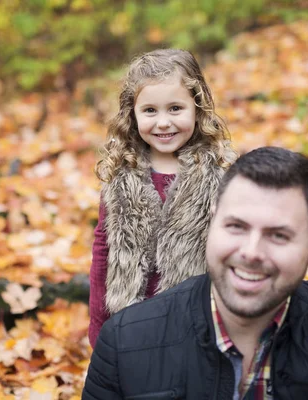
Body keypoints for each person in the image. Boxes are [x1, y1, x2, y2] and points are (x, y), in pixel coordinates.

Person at [83, 146, 308, 400]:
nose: (251, 252)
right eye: (236, 226)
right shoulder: (124, 342)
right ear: (212, 223)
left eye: (278, 235)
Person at [89, 48, 237, 347]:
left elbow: (231, 253)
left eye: (175, 109)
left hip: (195, 326)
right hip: (132, 324)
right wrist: (98, 326)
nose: (163, 123)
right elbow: (103, 249)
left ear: (197, 108)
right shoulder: (123, 175)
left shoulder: (217, 175)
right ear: (132, 113)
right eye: (150, 111)